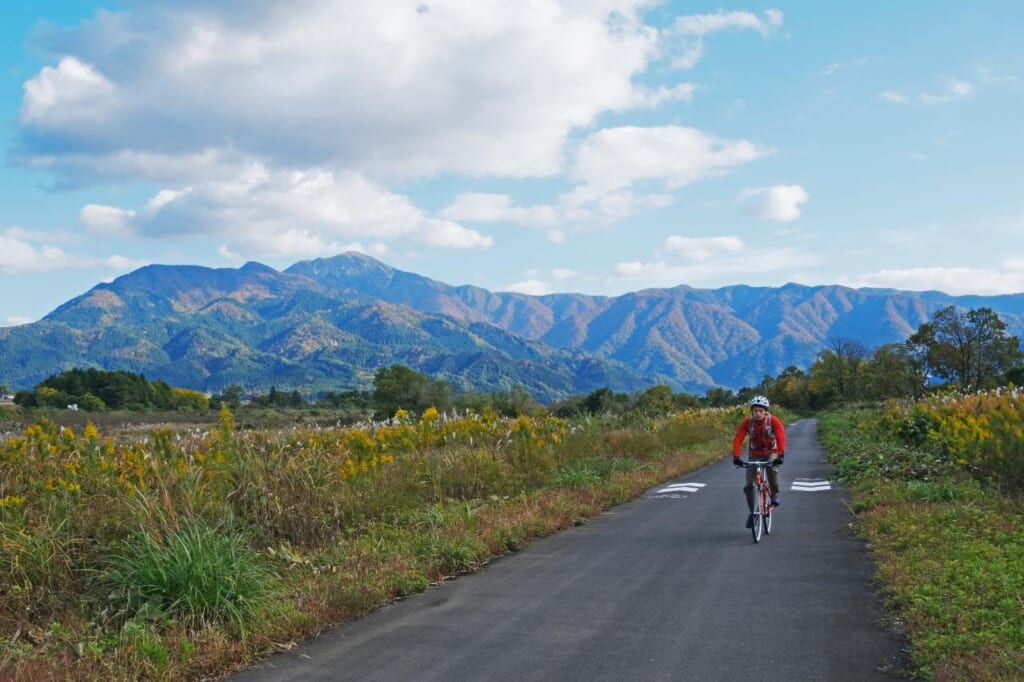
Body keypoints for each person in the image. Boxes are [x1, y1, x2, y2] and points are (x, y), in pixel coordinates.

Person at [732, 395, 786, 528]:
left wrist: (781, 454)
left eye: (761, 411)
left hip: (771, 452)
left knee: (772, 469)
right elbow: (738, 437)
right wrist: (736, 457)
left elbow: (780, 437)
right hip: (754, 455)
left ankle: (774, 493)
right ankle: (752, 513)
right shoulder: (747, 423)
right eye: (755, 410)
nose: (758, 413)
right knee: (749, 485)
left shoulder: (773, 421)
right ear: (752, 411)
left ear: (766, 411)